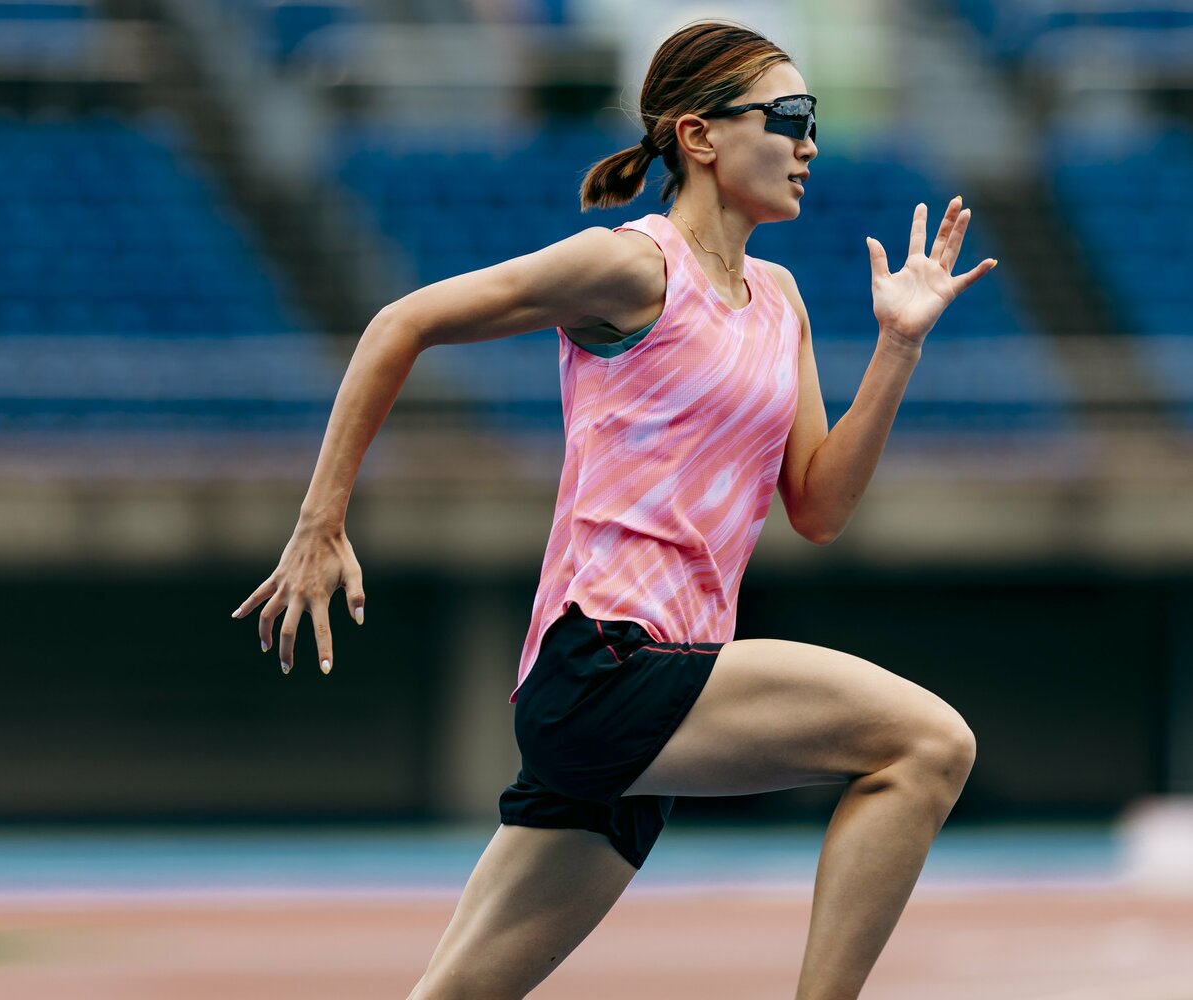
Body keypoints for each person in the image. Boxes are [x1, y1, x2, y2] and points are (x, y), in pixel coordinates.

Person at [231, 17, 998, 1000]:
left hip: (648, 698)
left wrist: (897, 348)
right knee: (930, 744)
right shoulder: (634, 269)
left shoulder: (783, 301)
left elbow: (819, 505)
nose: (811, 143)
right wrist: (320, 521)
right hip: (607, 666)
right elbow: (403, 320)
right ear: (700, 135)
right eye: (791, 116)